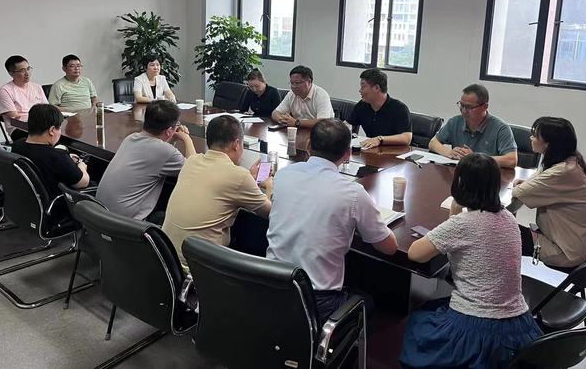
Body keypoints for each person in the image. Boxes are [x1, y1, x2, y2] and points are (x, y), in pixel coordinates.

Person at [399, 154, 541, 369]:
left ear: (460, 184)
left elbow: (415, 254)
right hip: (518, 326)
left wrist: (454, 215)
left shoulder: (463, 223)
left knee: (419, 324)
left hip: (475, 330)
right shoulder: (509, 218)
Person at [266, 119, 397, 322]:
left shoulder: (284, 175)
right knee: (369, 302)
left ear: (308, 145)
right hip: (317, 302)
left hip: (270, 286)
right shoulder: (353, 193)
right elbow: (389, 248)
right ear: (348, 154)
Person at [163, 115, 272, 269]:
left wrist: (249, 177)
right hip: (199, 269)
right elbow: (270, 213)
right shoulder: (239, 176)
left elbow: (217, 179)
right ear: (237, 144)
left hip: (166, 260)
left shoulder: (192, 162)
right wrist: (268, 186)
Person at [510, 117, 586, 268]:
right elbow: (534, 183)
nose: (531, 138)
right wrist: (530, 185)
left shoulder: (563, 172)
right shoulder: (568, 161)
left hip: (563, 251)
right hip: (567, 241)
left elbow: (519, 191)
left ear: (548, 144)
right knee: (504, 229)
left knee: (499, 232)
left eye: (535, 136)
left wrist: (527, 185)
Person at [96, 100, 196, 223]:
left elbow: (158, 154)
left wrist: (171, 138)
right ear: (169, 130)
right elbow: (194, 169)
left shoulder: (131, 138)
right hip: (126, 225)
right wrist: (186, 138)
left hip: (99, 216)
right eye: (177, 125)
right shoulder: (164, 151)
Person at [428, 83, 517, 168]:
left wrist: (476, 158)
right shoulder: (455, 122)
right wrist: (449, 152)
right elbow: (433, 143)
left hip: (487, 175)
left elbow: (512, 160)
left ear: (485, 106)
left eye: (469, 107)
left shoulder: (501, 128)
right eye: (461, 105)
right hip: (460, 172)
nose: (463, 111)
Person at [11, 104, 89, 197]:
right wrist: (81, 165)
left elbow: (41, 153)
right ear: (52, 130)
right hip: (57, 201)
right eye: (59, 128)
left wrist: (67, 159)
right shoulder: (57, 157)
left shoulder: (17, 145)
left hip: (26, 198)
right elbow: (83, 183)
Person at [347, 68, 412, 150]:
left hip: (395, 153)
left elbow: (407, 138)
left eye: (363, 87)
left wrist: (379, 139)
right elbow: (348, 124)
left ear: (376, 88)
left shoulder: (399, 109)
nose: (360, 91)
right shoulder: (362, 105)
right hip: (372, 151)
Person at [0, 55, 47, 137]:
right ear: (11, 73)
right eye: (22, 70)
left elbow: (46, 110)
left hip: (41, 124)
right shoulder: (4, 90)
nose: (27, 73)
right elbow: (15, 119)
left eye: (28, 69)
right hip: (19, 128)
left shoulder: (37, 87)